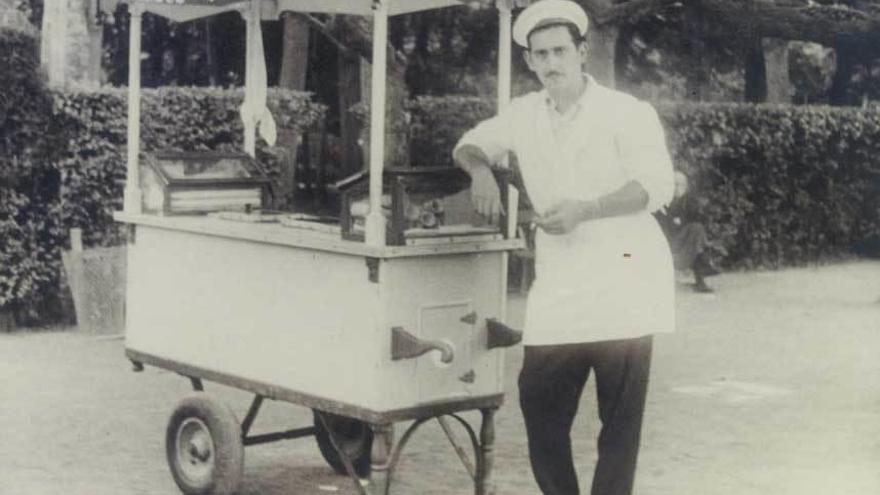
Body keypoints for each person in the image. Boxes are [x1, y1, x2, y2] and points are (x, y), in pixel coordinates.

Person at [452, 1, 676, 494]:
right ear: (529, 61)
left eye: (559, 51)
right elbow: (469, 143)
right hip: (561, 290)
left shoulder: (627, 112)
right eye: (540, 54)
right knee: (538, 403)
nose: (551, 63)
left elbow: (656, 185)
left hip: (626, 282)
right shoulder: (523, 114)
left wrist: (587, 209)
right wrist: (482, 172)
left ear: (581, 52)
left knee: (619, 425)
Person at [655, 170, 722, 293]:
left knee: (697, 232)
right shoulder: (661, 202)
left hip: (685, 243)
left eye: (680, 184)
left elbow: (699, 219)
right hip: (666, 243)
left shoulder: (690, 202)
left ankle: (701, 280)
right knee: (697, 235)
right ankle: (706, 265)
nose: (676, 188)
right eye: (674, 184)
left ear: (685, 187)